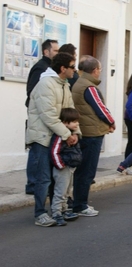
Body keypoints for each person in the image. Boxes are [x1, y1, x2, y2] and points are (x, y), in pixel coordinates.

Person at [26, 52, 79, 227]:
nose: (74, 69)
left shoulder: (64, 85)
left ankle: (58, 210)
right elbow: (48, 115)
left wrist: (76, 134)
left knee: (60, 176)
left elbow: (71, 111)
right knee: (44, 178)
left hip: (58, 137)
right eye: (72, 66)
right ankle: (40, 214)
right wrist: (67, 134)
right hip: (42, 138)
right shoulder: (45, 84)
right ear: (63, 68)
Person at [71, 55, 116, 217]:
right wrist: (111, 122)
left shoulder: (78, 83)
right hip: (92, 134)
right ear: (95, 70)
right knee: (87, 171)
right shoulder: (89, 87)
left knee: (81, 170)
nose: (100, 72)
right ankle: (80, 205)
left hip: (85, 131)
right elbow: (101, 108)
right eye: (100, 69)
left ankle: (76, 201)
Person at [25, 39, 59, 195]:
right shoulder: (40, 68)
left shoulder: (49, 68)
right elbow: (32, 92)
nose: (58, 53)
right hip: (38, 116)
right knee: (36, 150)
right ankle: (32, 184)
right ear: (46, 51)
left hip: (44, 115)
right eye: (56, 51)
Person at [50, 108, 82, 226]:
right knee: (60, 191)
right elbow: (54, 151)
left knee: (68, 190)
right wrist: (60, 165)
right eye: (74, 122)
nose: (77, 124)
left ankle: (64, 210)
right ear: (65, 123)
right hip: (63, 168)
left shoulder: (72, 135)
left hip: (70, 167)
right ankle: (56, 213)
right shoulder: (61, 136)